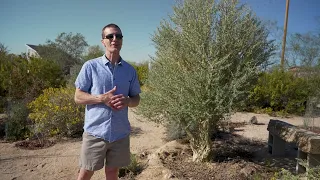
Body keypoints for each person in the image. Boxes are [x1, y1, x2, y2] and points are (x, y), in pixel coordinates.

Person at [74, 23, 141, 180]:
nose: (114, 39)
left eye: (118, 36)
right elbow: (78, 97)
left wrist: (127, 101)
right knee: (85, 172)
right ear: (103, 41)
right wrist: (101, 98)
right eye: (110, 36)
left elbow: (136, 99)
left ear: (122, 41)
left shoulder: (130, 70)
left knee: (112, 173)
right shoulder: (90, 66)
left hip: (120, 133)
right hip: (95, 132)